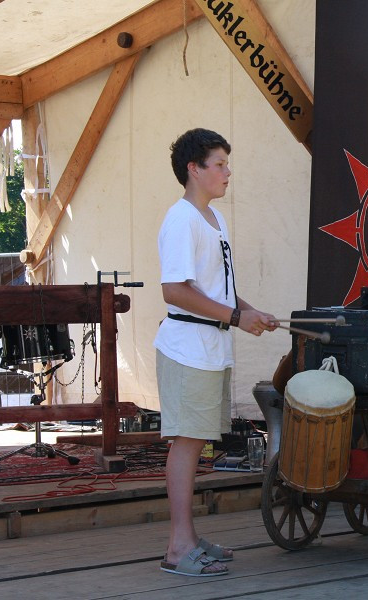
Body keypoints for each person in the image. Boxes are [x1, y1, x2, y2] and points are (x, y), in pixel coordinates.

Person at [154, 128, 277, 577]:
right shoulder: (181, 219)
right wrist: (234, 317)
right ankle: (177, 547)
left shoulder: (215, 220)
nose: (228, 172)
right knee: (186, 444)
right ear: (194, 169)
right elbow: (175, 291)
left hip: (210, 348)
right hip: (187, 349)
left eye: (227, 163)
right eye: (220, 163)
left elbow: (220, 290)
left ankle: (187, 536)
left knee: (196, 443)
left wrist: (249, 311)